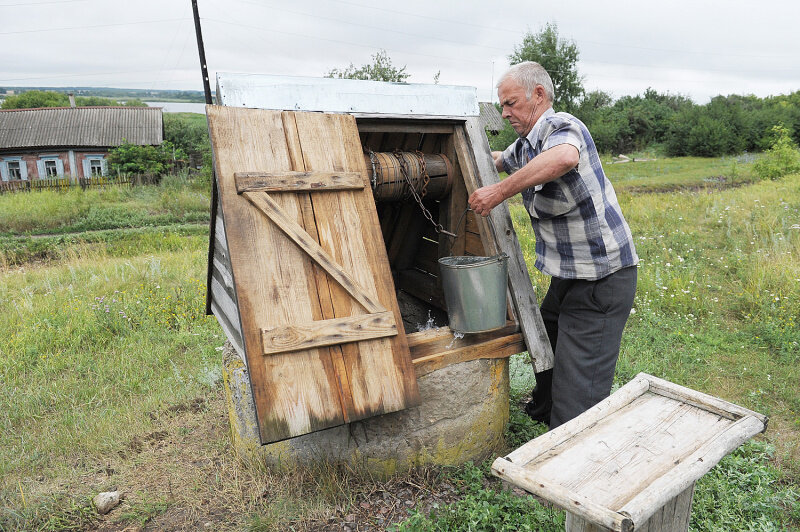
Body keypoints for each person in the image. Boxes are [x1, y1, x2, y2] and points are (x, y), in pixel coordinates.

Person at [468, 61, 638, 429]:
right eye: (503, 105)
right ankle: (544, 407)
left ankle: (570, 441)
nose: (504, 113)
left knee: (580, 387)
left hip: (604, 279)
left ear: (539, 95)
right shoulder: (527, 146)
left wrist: (498, 192)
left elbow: (563, 157)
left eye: (511, 103)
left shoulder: (563, 127)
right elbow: (498, 160)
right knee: (547, 330)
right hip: (571, 276)